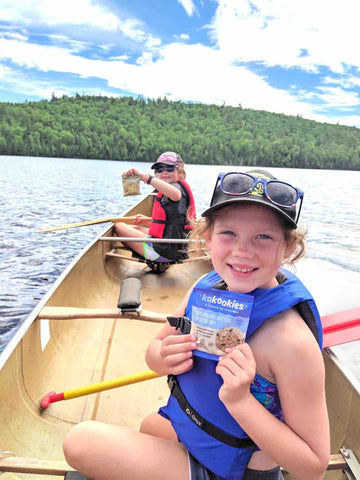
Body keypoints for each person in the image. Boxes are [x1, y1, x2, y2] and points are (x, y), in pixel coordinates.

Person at [63, 169, 330, 480]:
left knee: (80, 441)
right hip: (200, 442)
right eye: (228, 233)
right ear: (207, 239)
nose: (242, 251)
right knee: (150, 425)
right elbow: (153, 353)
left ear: (288, 248)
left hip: (237, 473)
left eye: (264, 237)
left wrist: (241, 401)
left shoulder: (291, 341)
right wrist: (164, 357)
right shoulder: (207, 285)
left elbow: (313, 467)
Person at [114, 151, 196, 270]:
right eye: (159, 169)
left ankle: (156, 262)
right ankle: (159, 263)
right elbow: (173, 222)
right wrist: (150, 223)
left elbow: (176, 194)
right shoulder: (177, 188)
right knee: (136, 228)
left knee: (119, 227)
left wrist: (145, 178)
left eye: (169, 168)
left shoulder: (176, 189)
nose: (164, 172)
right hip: (177, 249)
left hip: (165, 252)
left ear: (179, 171)